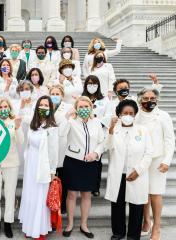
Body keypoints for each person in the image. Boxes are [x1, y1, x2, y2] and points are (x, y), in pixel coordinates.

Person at [106, 99, 153, 240]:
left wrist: (138, 170)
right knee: (117, 205)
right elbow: (108, 147)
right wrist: (110, 131)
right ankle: (118, 232)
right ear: (119, 114)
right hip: (118, 173)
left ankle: (133, 235)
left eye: (131, 113)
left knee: (137, 206)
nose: (128, 115)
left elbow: (149, 153)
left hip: (136, 174)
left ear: (135, 115)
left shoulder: (142, 130)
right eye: (125, 113)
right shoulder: (115, 129)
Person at [60, 96, 105, 239]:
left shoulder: (97, 122)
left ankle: (84, 224)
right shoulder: (71, 122)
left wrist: (96, 153)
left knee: (86, 195)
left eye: (86, 106)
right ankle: (70, 224)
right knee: (72, 194)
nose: (84, 109)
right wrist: (67, 116)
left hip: (91, 162)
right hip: (73, 161)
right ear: (76, 108)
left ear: (91, 108)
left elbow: (102, 142)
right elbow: (61, 134)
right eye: (81, 107)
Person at [135, 88, 175, 240]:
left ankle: (157, 228)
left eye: (152, 98)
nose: (149, 101)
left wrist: (167, 161)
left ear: (157, 99)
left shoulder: (163, 116)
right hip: (141, 160)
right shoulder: (137, 115)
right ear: (140, 100)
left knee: (155, 193)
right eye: (146, 98)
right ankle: (146, 222)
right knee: (143, 193)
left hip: (158, 160)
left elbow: (169, 140)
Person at [18, 95, 59, 239]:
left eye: (46, 105)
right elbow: (20, 116)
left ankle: (39, 229)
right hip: (31, 164)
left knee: (40, 197)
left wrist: (53, 170)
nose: (43, 107)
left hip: (43, 166)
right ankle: (29, 226)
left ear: (50, 108)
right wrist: (23, 104)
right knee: (30, 195)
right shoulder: (32, 124)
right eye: (41, 105)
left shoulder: (52, 127)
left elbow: (54, 151)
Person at [0, 97, 23, 238]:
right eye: (1, 107)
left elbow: (21, 141)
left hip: (11, 163)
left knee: (10, 194)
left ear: (9, 108)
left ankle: (8, 223)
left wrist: (17, 127)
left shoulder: (13, 122)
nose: (4, 109)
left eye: (6, 107)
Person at [50, 85, 73, 214]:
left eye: (57, 93)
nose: (55, 95)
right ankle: (52, 202)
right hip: (50, 147)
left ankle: (63, 204)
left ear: (62, 95)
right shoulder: (46, 107)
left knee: (63, 177)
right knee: (51, 177)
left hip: (64, 145)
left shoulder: (68, 107)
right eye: (52, 93)